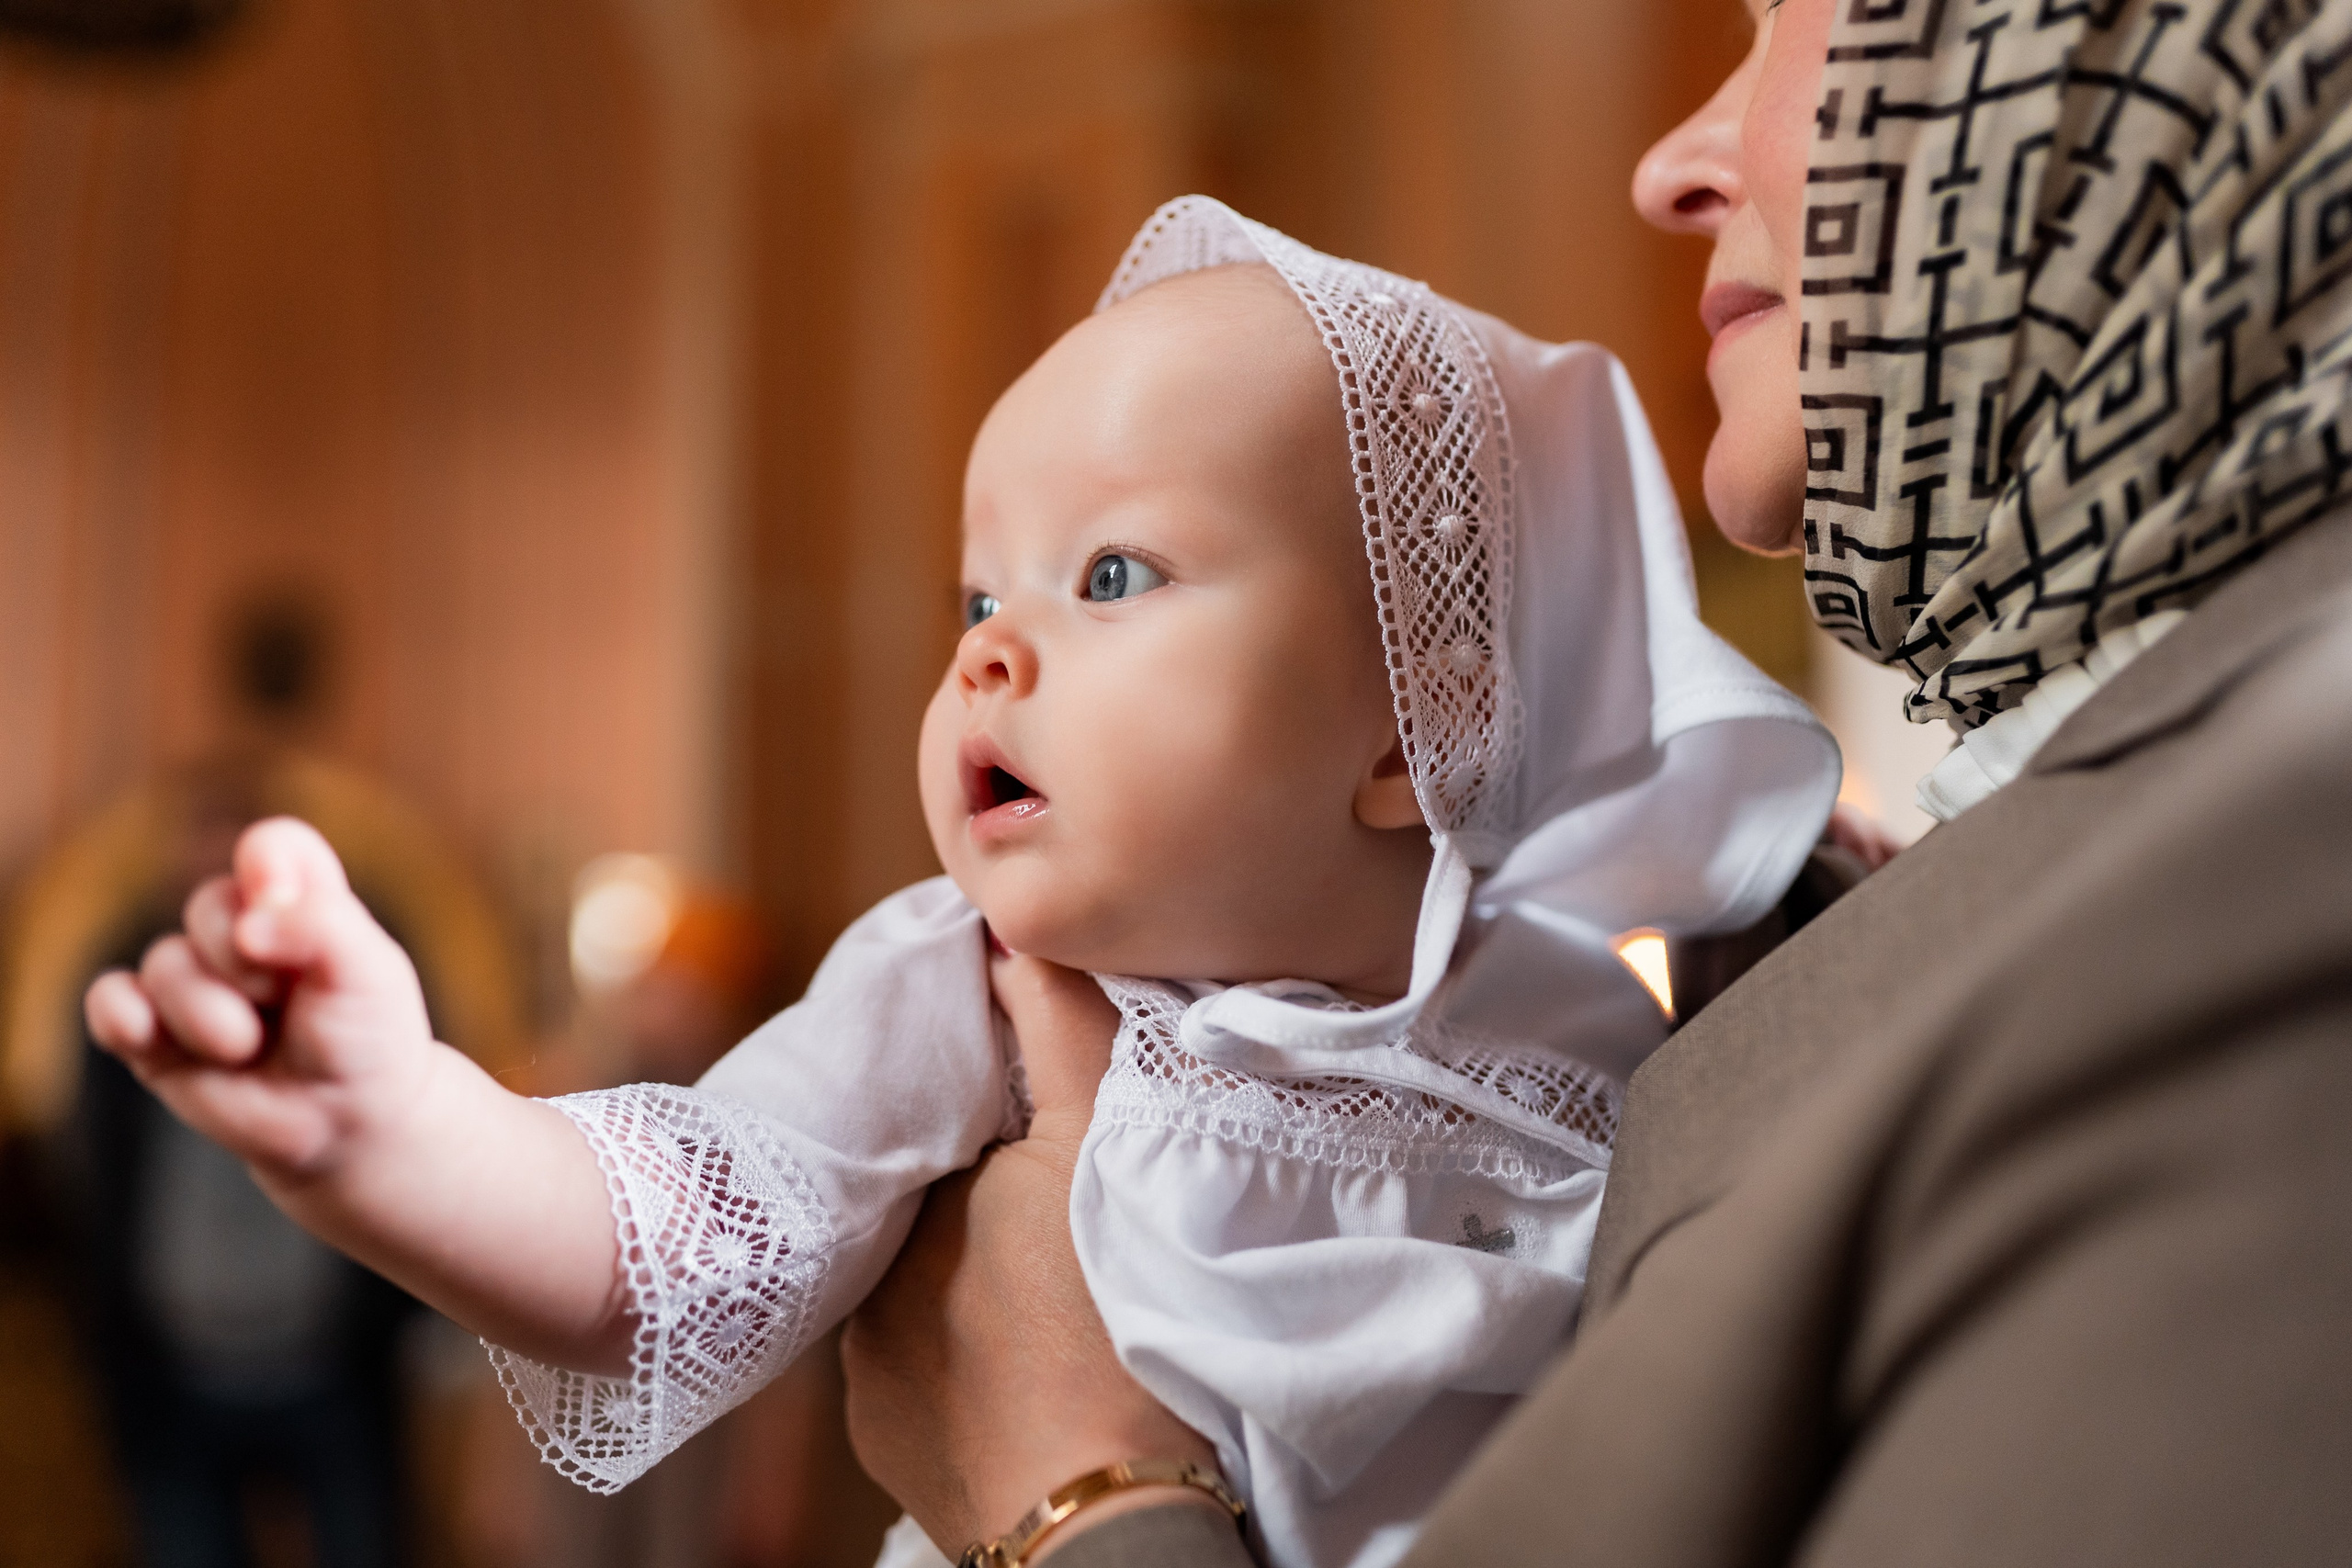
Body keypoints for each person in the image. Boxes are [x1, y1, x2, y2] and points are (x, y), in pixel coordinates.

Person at [82, 202, 1849, 1568]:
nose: (989, 654)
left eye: (1113, 574)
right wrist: (391, 1129)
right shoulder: (977, 995)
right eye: (978, 598)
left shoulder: (1589, 1013)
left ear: (1423, 724)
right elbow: (667, 1235)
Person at [832, 0, 2352, 1563]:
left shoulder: (2274, 904)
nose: (1668, 168)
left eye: (1792, 14)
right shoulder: (2072, 840)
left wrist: (1073, 1480)